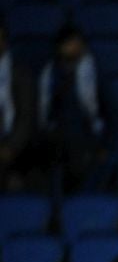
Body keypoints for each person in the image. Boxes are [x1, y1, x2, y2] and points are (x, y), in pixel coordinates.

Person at [37, 25, 104, 192]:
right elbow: (43, 110)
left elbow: (108, 111)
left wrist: (103, 143)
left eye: (78, 44)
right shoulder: (49, 74)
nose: (75, 48)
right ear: (60, 47)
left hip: (86, 139)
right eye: (70, 44)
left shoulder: (94, 74)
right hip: (56, 139)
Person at [0, 23, 37, 191]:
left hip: (16, 145)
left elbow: (27, 117)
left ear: (4, 42)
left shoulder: (21, 74)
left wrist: (11, 147)